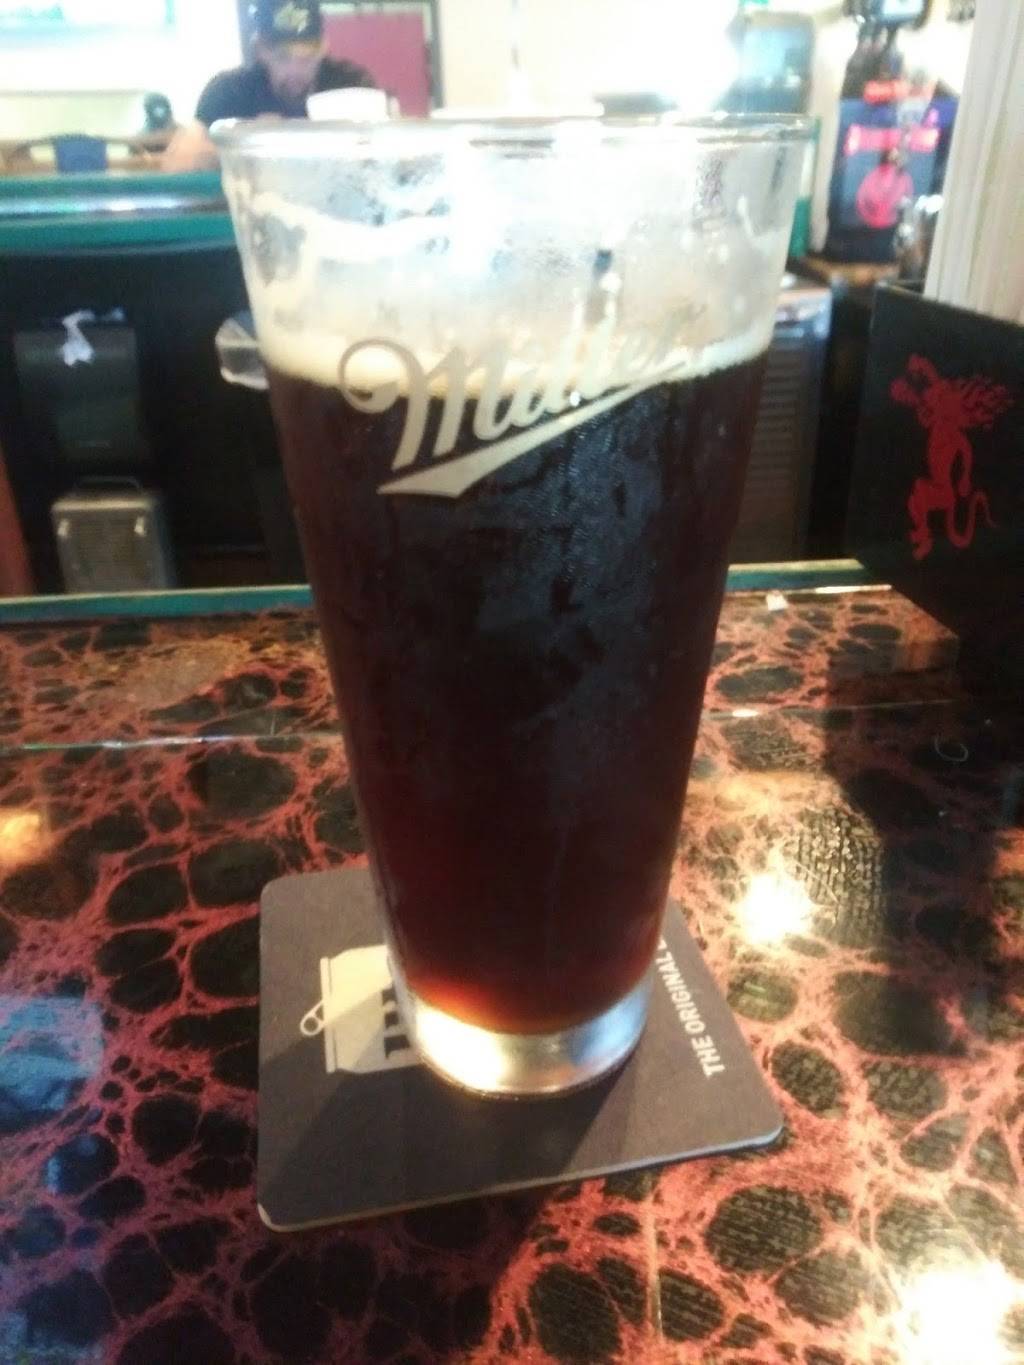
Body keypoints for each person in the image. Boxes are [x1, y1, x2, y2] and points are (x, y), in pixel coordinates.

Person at [163, 0, 375, 172]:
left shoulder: (351, 86)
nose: (294, 70)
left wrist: (280, 144)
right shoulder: (229, 91)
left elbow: (380, 160)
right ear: (260, 50)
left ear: (323, 48)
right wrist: (249, 144)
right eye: (282, 57)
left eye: (306, 58)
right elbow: (177, 163)